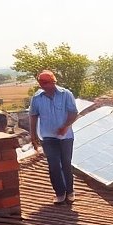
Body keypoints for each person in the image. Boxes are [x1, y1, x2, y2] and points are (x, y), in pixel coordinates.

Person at [28, 70, 79, 204]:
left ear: (53, 82)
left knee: (66, 164)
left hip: (66, 136)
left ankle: (70, 191)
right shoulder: (37, 98)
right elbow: (33, 116)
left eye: (45, 82)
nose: (42, 85)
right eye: (40, 82)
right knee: (54, 164)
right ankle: (60, 193)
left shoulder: (66, 94)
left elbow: (74, 113)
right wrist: (33, 135)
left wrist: (65, 126)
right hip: (48, 137)